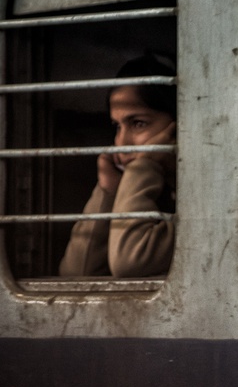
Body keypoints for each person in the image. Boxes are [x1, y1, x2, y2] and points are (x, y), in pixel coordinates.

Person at [59, 53, 177, 278]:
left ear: (178, 125)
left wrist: (144, 166)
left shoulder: (202, 205)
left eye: (138, 123)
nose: (121, 143)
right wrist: (108, 192)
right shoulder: (146, 191)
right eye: (117, 126)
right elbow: (77, 273)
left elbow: (130, 262)